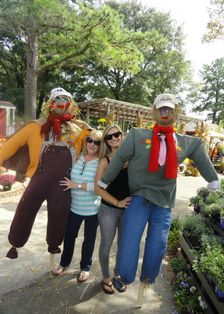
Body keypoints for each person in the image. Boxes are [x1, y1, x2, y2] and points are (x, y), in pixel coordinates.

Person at [99, 93, 219, 304]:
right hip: (140, 196)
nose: (165, 113)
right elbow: (119, 158)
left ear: (175, 112)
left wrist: (213, 179)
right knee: (130, 237)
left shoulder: (183, 142)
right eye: (161, 109)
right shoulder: (137, 135)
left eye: (169, 109)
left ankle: (147, 278)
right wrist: (104, 181)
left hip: (164, 201)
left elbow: (199, 148)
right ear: (154, 111)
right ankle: (125, 276)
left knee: (157, 242)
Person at [0, 87, 90, 262]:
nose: (62, 104)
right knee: (25, 209)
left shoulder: (80, 131)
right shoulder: (35, 127)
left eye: (65, 100)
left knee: (59, 213)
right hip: (39, 178)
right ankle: (15, 243)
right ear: (50, 104)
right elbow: (7, 148)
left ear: (71, 105)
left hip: (64, 182)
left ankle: (54, 244)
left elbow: (100, 143)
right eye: (57, 100)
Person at [52, 129, 101, 282]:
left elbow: (101, 186)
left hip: (92, 209)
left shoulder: (101, 161)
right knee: (69, 236)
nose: (92, 144)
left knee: (89, 240)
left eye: (97, 142)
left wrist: (77, 185)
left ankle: (85, 267)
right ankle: (64, 263)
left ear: (101, 145)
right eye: (90, 140)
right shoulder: (78, 156)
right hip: (74, 207)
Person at [95, 124, 131, 294]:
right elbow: (98, 189)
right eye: (110, 137)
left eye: (117, 134)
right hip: (109, 209)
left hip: (128, 211)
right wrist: (118, 203)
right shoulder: (105, 161)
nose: (114, 138)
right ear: (106, 141)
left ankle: (117, 274)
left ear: (122, 135)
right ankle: (106, 277)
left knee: (123, 245)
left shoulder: (131, 157)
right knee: (106, 246)